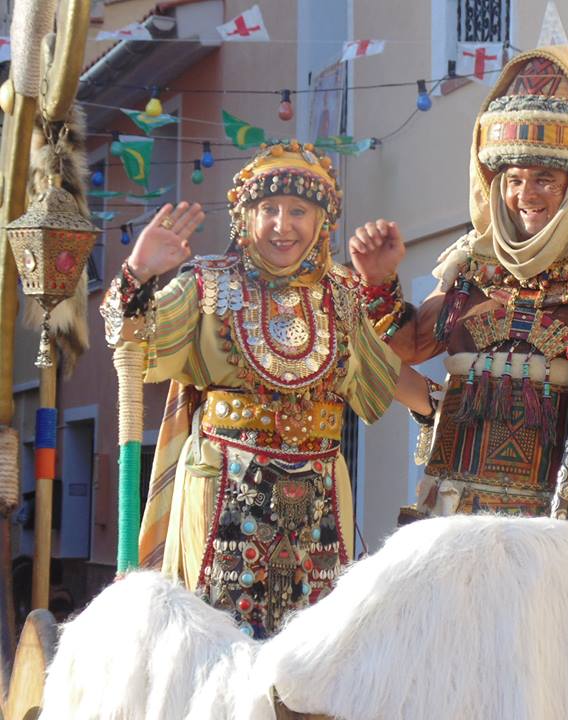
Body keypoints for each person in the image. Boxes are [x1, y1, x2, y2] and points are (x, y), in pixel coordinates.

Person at [348, 46, 568, 566]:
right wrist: (377, 280)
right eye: (514, 179)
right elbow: (405, 349)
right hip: (457, 516)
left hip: (564, 521)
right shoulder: (469, 268)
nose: (527, 195)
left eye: (546, 178)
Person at [101, 140, 435, 638]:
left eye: (298, 210)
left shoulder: (340, 295)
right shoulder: (208, 283)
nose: (283, 225)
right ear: (245, 219)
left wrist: (442, 409)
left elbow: (381, 373)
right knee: (218, 638)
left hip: (319, 493)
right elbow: (134, 342)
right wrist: (139, 273)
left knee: (315, 644)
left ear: (321, 223)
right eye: (268, 210)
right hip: (225, 488)